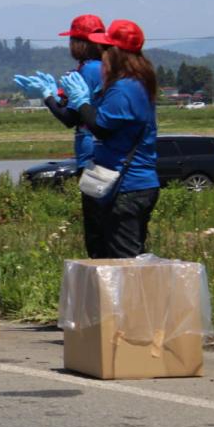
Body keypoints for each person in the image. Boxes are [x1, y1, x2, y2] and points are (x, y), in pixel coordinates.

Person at [61, 20, 160, 259]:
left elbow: (101, 128)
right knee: (122, 257)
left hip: (126, 186)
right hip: (134, 183)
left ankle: (129, 298)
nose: (101, 56)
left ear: (114, 54)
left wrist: (81, 101)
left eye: (105, 50)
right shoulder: (137, 84)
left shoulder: (123, 89)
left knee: (122, 262)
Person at [13, 14, 106, 255]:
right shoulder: (104, 67)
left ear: (81, 43)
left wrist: (47, 96)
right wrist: (58, 92)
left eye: (72, 40)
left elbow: (69, 117)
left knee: (97, 225)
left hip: (91, 154)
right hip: (103, 151)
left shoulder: (88, 70)